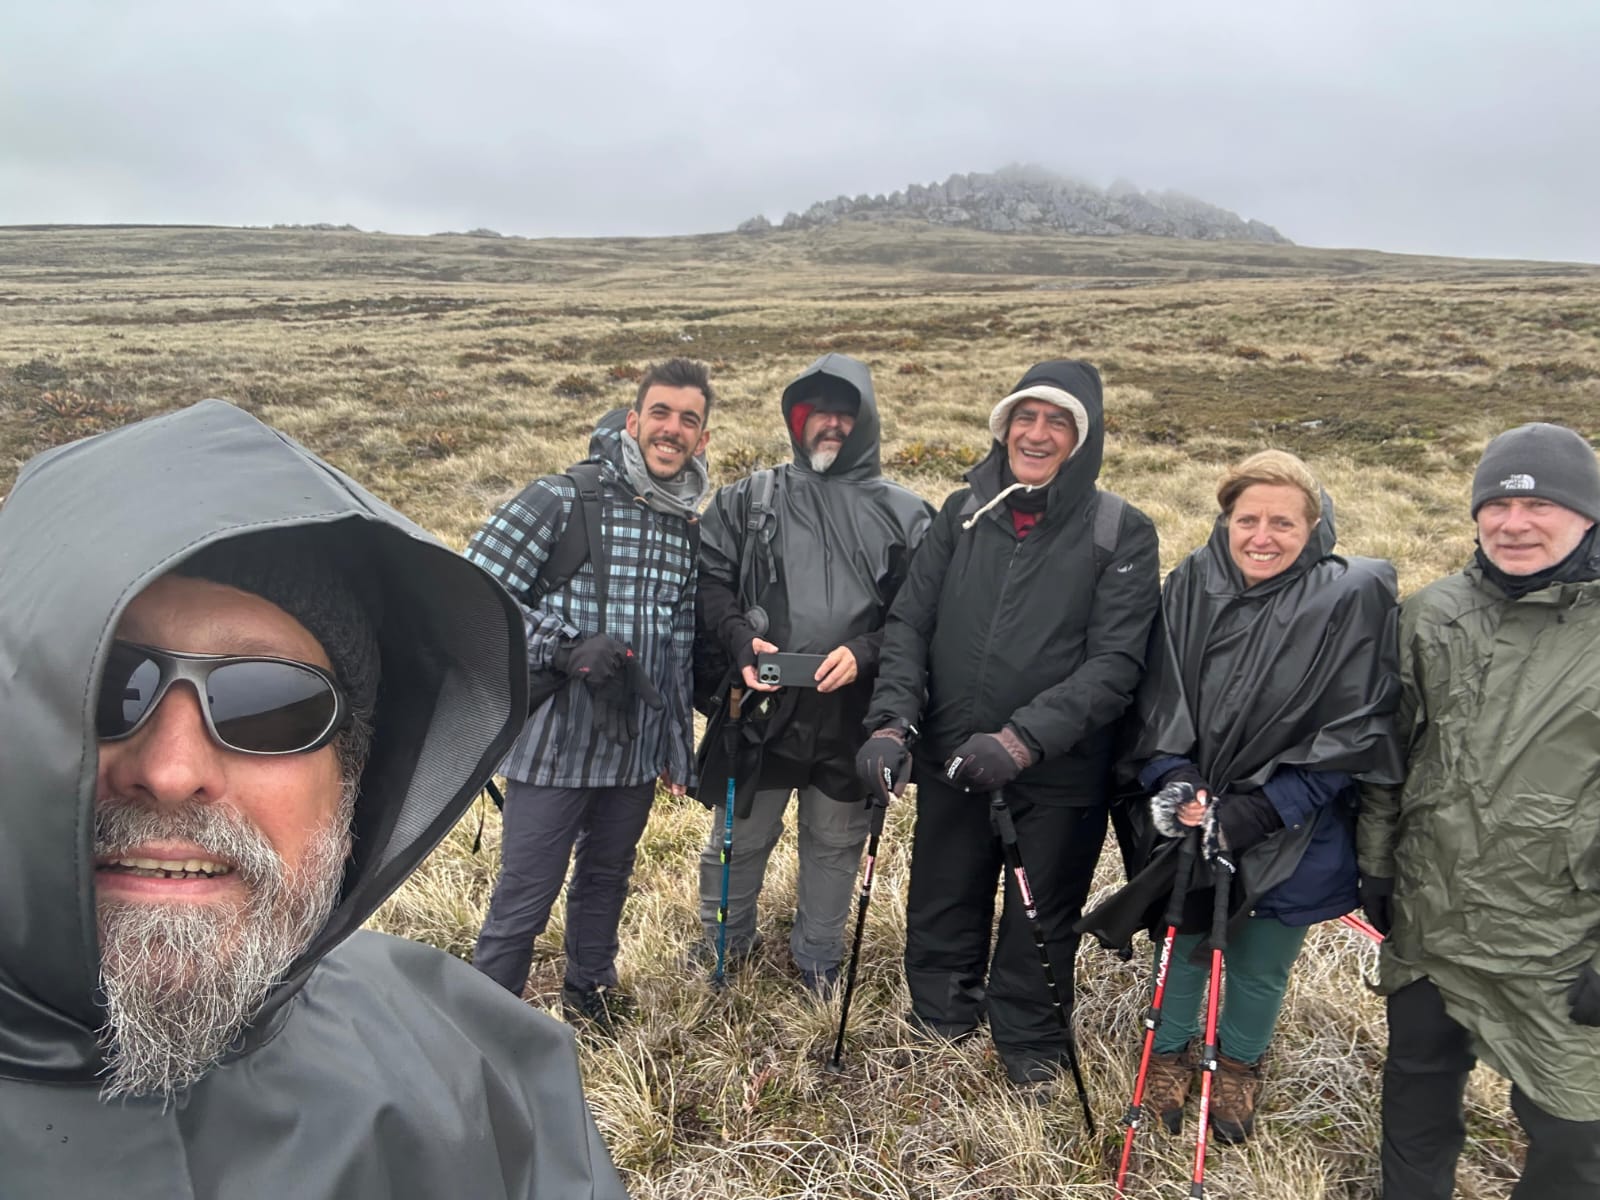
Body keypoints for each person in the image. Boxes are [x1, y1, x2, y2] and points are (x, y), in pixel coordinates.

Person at [0, 399, 627, 1198]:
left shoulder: (485, 1074)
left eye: (270, 706)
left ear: (352, 783)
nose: (172, 770)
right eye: (103, 687)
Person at [857, 358, 1160, 1089]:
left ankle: (1028, 1042)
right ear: (1004, 427)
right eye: (1026, 416)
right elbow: (909, 624)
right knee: (942, 891)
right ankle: (941, 1019)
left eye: (1059, 422)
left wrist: (1022, 741)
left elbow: (1116, 664)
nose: (1037, 433)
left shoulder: (1120, 530)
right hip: (952, 755)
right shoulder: (961, 514)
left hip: (1059, 772)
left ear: (1084, 439)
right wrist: (892, 723)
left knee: (1041, 914)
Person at [1081, 450, 1401, 1143]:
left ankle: (1239, 1065)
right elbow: (1156, 697)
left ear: (1313, 528)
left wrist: (1264, 808)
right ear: (1225, 521)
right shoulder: (1191, 583)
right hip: (1194, 817)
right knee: (1182, 939)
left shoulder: (1350, 597)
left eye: (1283, 522)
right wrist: (1175, 777)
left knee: (1261, 962)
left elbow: (1357, 727)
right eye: (1247, 519)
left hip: (1297, 826)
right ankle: (1167, 1053)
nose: (1262, 536)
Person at [1358, 422, 1600, 1199]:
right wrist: (1376, 868)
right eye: (1496, 504)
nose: (1514, 524)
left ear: (1588, 514)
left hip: (1558, 944)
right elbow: (1388, 758)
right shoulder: (1431, 613)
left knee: (1574, 1138)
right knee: (1416, 1093)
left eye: (1539, 506)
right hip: (1430, 925)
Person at [468, 358, 710, 1033]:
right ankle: (485, 1025)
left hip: (632, 748)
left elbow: (677, 645)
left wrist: (676, 748)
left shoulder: (684, 525)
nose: (672, 429)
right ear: (633, 421)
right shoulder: (561, 498)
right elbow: (471, 592)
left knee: (608, 877)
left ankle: (591, 994)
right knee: (525, 895)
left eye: (688, 419)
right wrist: (564, 646)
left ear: (703, 438)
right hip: (553, 745)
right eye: (660, 413)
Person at [692, 353, 932, 994]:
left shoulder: (908, 515)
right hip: (760, 704)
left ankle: (819, 959)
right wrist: (739, 638)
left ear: (867, 420)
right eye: (816, 411)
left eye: (845, 412)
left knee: (835, 840)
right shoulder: (747, 499)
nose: (830, 423)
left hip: (853, 711)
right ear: (796, 419)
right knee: (738, 835)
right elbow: (710, 579)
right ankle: (720, 945)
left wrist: (867, 651)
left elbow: (922, 615)